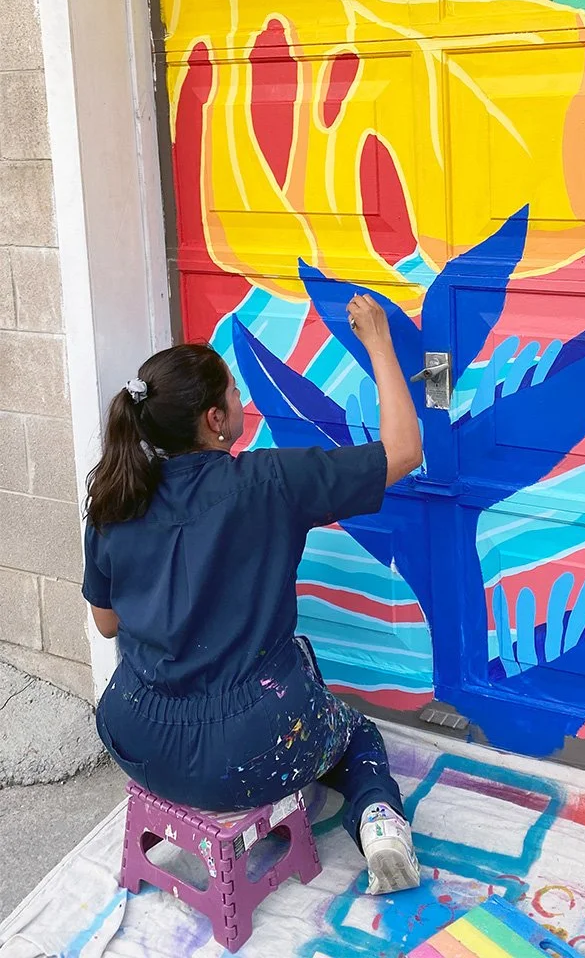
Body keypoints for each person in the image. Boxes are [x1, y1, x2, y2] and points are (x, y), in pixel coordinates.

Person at [82, 294, 423, 895]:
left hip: (135, 735)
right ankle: (379, 818)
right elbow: (403, 452)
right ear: (216, 420)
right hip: (250, 746)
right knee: (353, 732)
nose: (241, 401)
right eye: (234, 394)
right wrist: (377, 341)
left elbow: (107, 624)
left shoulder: (115, 500)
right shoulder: (268, 482)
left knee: (283, 676)